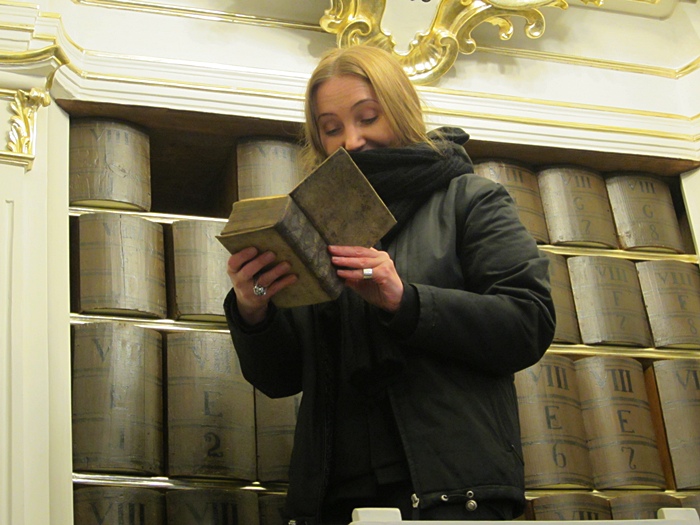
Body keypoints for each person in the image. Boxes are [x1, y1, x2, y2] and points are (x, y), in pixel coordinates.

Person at [224, 45, 555, 524]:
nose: (352, 140)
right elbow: (280, 379)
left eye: (368, 117)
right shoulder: (313, 223)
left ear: (401, 109)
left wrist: (405, 301)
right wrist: (253, 308)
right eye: (331, 128)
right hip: (332, 499)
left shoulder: (470, 199)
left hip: (450, 493)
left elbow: (529, 323)